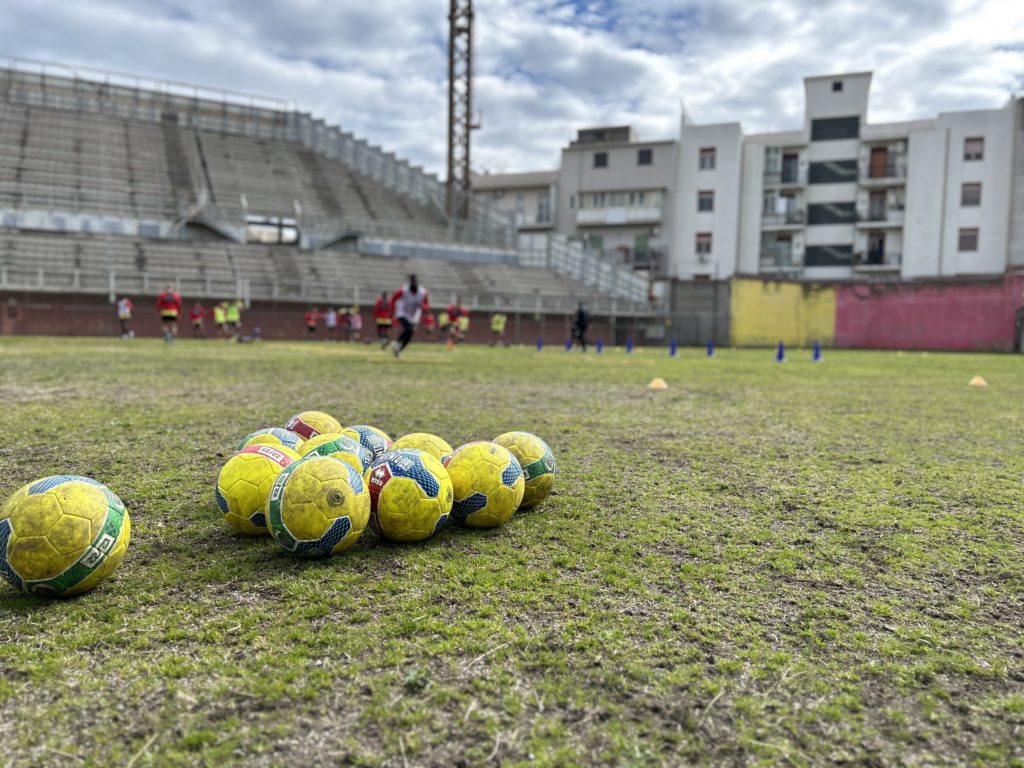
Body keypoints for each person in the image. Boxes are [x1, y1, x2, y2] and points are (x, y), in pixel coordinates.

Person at [389, 274, 429, 358]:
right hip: (401, 312)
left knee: (410, 334)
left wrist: (423, 306)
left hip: (412, 314)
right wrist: (392, 311)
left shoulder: (423, 292)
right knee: (408, 329)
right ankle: (397, 343)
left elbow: (426, 305)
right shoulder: (403, 290)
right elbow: (393, 299)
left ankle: (398, 349)